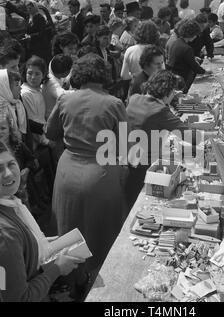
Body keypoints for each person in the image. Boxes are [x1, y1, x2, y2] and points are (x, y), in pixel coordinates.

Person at [46, 53, 128, 275]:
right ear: (103, 74)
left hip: (68, 170)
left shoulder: (65, 99)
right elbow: (123, 145)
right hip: (101, 172)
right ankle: (96, 274)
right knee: (100, 227)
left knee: (68, 223)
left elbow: (50, 132)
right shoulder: (114, 103)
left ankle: (70, 275)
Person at [0, 141, 85, 302]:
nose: (8, 174)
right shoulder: (5, 236)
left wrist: (39, 243)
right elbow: (20, 298)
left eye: (11, 164)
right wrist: (57, 269)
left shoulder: (10, 202)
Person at [126, 70, 198, 209]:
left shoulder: (134, 98)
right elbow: (190, 136)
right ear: (168, 92)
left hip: (127, 158)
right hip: (144, 165)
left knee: (130, 197)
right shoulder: (159, 110)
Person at [166, 18, 210, 94]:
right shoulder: (187, 48)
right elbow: (195, 67)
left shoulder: (176, 42)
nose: (196, 37)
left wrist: (192, 58)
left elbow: (182, 58)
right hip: (183, 78)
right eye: (195, 35)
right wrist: (206, 72)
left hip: (174, 75)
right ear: (192, 34)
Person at [21, 56, 51, 152]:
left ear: (43, 75)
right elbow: (32, 124)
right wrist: (47, 141)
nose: (33, 77)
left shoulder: (40, 89)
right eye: (29, 73)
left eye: (37, 74)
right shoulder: (26, 94)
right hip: (35, 144)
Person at [42, 54, 73, 120]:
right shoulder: (51, 81)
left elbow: (66, 80)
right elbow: (62, 95)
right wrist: (80, 92)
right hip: (51, 118)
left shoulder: (55, 76)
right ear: (65, 72)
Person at [0, 69, 27, 137]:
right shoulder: (2, 111)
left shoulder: (18, 103)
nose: (20, 88)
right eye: (17, 85)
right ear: (6, 87)